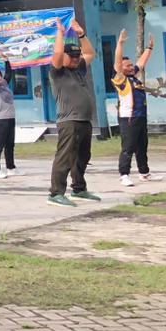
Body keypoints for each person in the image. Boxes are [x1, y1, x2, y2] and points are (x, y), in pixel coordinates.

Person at [47, 19, 101, 207]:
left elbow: (90, 53)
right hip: (69, 121)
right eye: (72, 56)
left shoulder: (79, 70)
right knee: (65, 158)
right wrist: (60, 33)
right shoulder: (57, 72)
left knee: (82, 157)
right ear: (64, 56)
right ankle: (55, 193)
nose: (76, 59)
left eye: (77, 56)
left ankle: (78, 189)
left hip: (84, 120)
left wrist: (81, 34)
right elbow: (57, 54)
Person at [111, 29, 157, 187]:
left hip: (141, 117)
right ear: (121, 68)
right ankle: (124, 175)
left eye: (131, 65)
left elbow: (141, 63)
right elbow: (117, 64)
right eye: (128, 65)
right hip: (128, 119)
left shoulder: (134, 78)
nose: (132, 67)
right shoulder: (120, 80)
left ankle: (144, 173)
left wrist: (150, 48)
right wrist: (120, 43)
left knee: (142, 146)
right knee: (128, 148)